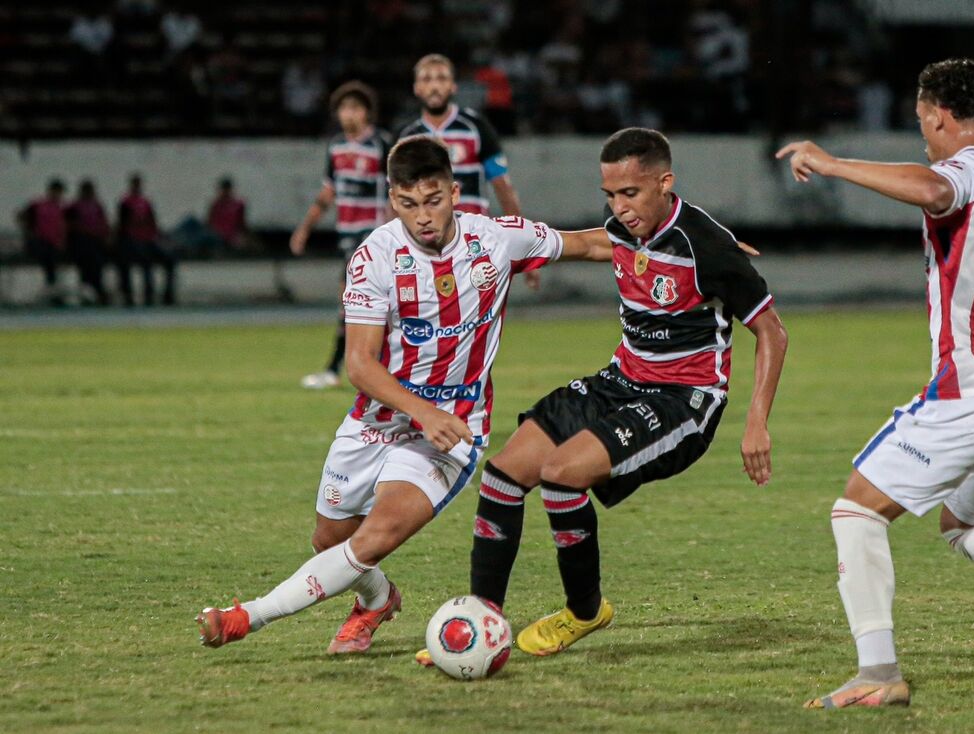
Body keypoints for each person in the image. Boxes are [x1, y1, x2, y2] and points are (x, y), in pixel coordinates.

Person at [195, 136, 615, 655]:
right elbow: (359, 364)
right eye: (410, 203)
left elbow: (593, 243)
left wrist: (693, 245)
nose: (423, 216)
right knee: (330, 542)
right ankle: (376, 601)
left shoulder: (497, 240)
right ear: (393, 200)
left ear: (455, 192)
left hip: (453, 430)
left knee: (371, 539)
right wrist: (420, 410)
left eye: (434, 199)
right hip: (378, 419)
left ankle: (245, 617)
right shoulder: (375, 257)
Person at [775, 58, 974, 710]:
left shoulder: (962, 174)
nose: (924, 134)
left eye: (923, 121)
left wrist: (833, 164)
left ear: (940, 115)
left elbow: (932, 190)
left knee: (857, 510)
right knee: (969, 520)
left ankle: (879, 671)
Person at [415, 127, 787, 666]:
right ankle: (480, 620)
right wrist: (502, 245)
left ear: (665, 183)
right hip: (621, 379)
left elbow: (773, 331)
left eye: (630, 194)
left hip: (683, 400)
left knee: (563, 473)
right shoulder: (624, 227)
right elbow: (593, 241)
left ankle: (584, 611)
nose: (619, 207)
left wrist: (757, 422)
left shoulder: (708, 248)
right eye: (610, 195)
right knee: (504, 472)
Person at [397, 54, 536, 293]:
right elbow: (398, 198)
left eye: (441, 78)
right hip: (426, 242)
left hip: (474, 241)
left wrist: (526, 247)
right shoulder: (407, 137)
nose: (434, 85)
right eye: (427, 79)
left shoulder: (476, 127)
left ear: (453, 86)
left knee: (477, 321)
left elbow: (503, 187)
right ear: (417, 88)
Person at [293, 81, 393, 389]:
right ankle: (364, 368)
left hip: (372, 235)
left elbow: (395, 189)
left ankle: (337, 369)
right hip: (347, 235)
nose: (349, 114)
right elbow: (328, 192)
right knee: (364, 303)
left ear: (367, 113)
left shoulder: (381, 144)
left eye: (355, 108)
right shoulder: (336, 146)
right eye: (344, 108)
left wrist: (393, 227)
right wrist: (304, 228)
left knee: (351, 299)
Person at [116, 174, 176, 306]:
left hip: (148, 240)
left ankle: (168, 293)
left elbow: (153, 222)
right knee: (145, 260)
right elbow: (122, 226)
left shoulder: (145, 202)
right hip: (133, 241)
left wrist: (160, 237)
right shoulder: (125, 203)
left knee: (170, 260)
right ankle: (147, 293)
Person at [18, 179, 68, 306]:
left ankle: (53, 288)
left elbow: (61, 230)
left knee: (52, 256)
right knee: (48, 255)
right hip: (40, 243)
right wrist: (29, 231)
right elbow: (22, 216)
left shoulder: (60, 209)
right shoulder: (38, 205)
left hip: (52, 245)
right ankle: (52, 288)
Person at [65, 179, 111, 305]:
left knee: (96, 264)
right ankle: (90, 292)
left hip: (96, 243)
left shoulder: (97, 206)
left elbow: (104, 223)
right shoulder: (74, 207)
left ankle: (96, 290)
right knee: (87, 264)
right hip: (81, 243)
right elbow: (69, 225)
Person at [206, 177, 247, 250]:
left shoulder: (238, 205)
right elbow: (209, 223)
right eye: (223, 189)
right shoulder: (215, 204)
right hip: (216, 235)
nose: (224, 192)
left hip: (226, 237)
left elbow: (241, 224)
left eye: (226, 189)